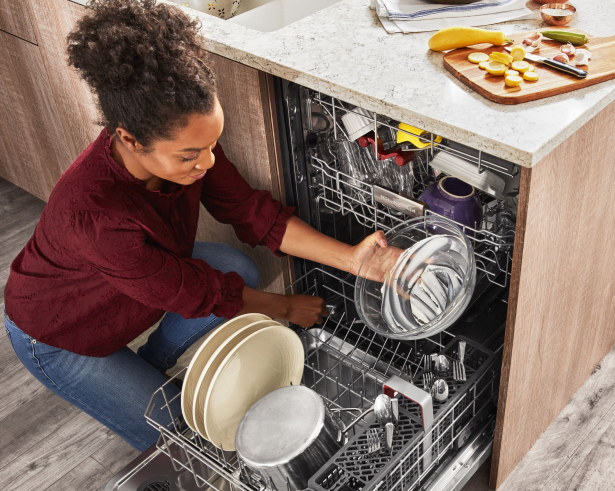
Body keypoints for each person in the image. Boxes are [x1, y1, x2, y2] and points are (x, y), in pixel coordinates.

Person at [2, 0, 389, 452]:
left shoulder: (185, 140)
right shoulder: (94, 215)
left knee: (236, 269)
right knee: (180, 439)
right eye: (190, 156)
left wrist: (354, 259)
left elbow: (249, 210)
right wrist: (281, 308)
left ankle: (150, 364)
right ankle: (136, 381)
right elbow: (194, 293)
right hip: (60, 331)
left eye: (211, 146)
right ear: (129, 138)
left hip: (142, 282)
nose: (206, 164)